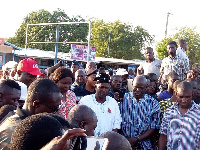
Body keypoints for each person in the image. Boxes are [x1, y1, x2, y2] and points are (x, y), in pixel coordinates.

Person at [0, 79, 62, 150]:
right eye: (54, 108)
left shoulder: (31, 123)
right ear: (36, 104)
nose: (56, 112)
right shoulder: (15, 131)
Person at [120, 75, 161, 149]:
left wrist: (137, 139)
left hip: (144, 144)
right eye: (135, 87)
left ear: (146, 88)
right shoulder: (122, 99)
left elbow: (154, 126)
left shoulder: (153, 103)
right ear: (132, 85)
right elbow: (116, 122)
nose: (138, 90)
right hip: (123, 143)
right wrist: (125, 139)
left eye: (141, 88)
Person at [159, 81, 200, 150]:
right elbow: (163, 136)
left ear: (192, 95)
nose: (184, 100)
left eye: (187, 97)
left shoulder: (198, 112)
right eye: (181, 97)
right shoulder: (169, 112)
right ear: (176, 94)